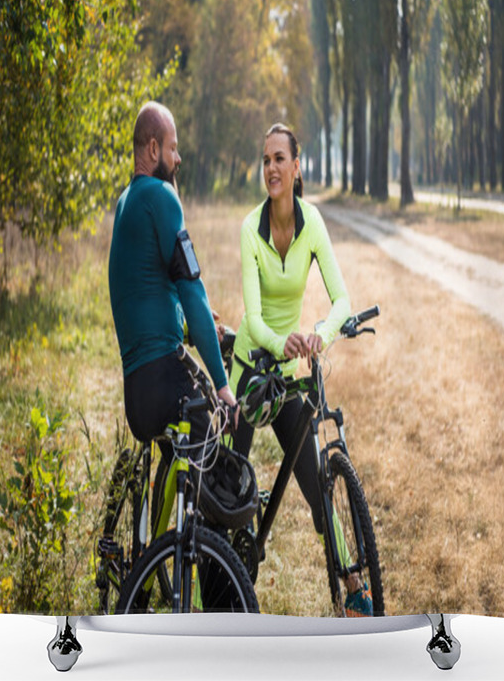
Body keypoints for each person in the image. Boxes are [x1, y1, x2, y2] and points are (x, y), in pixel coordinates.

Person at [228, 123, 371, 616]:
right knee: (227, 486)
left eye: (279, 159)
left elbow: (342, 298)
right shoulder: (251, 228)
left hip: (289, 376)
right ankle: (214, 591)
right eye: (265, 159)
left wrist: (320, 333)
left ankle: (352, 582)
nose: (270, 167)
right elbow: (254, 315)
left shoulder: (312, 223)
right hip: (250, 370)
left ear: (296, 167)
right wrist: (281, 341)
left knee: (316, 486)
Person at [109, 101, 237, 448]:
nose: (178, 159)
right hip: (166, 384)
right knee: (227, 491)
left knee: (182, 481)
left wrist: (189, 325)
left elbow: (147, 296)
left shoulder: (126, 202)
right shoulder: (161, 195)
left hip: (136, 394)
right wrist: (223, 386)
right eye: (173, 148)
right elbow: (191, 288)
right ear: (154, 149)